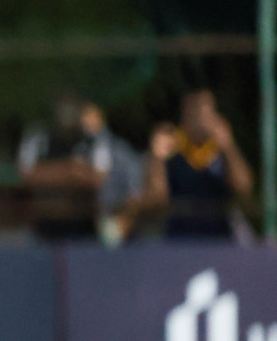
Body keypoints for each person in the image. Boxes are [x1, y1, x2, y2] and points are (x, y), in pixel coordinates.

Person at [18, 96, 143, 244]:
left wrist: (67, 174)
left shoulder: (95, 141)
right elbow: (26, 173)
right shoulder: (41, 137)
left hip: (83, 226)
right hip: (45, 226)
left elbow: (99, 178)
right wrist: (68, 170)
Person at [142, 88, 253, 239]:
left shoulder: (221, 151)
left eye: (204, 112)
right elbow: (156, 200)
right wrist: (157, 158)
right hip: (180, 239)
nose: (199, 119)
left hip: (220, 240)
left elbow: (244, 188)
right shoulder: (173, 150)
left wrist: (229, 146)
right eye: (193, 112)